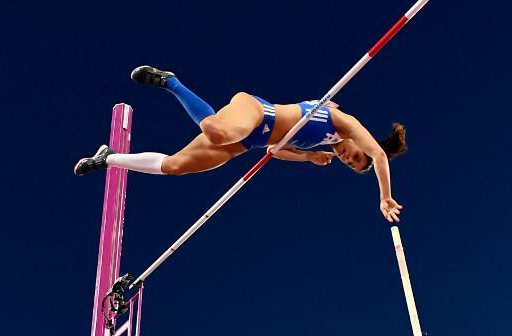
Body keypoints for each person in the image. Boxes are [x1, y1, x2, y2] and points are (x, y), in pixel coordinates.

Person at [74, 66, 407, 222]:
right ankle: (171, 82)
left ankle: (108, 159)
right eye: (355, 156)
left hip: (249, 143)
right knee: (219, 132)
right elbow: (379, 154)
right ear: (359, 144)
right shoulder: (342, 121)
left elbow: (274, 151)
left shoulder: (318, 147)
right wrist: (385, 196)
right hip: (258, 113)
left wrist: (307, 159)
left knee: (175, 167)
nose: (348, 158)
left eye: (350, 165)